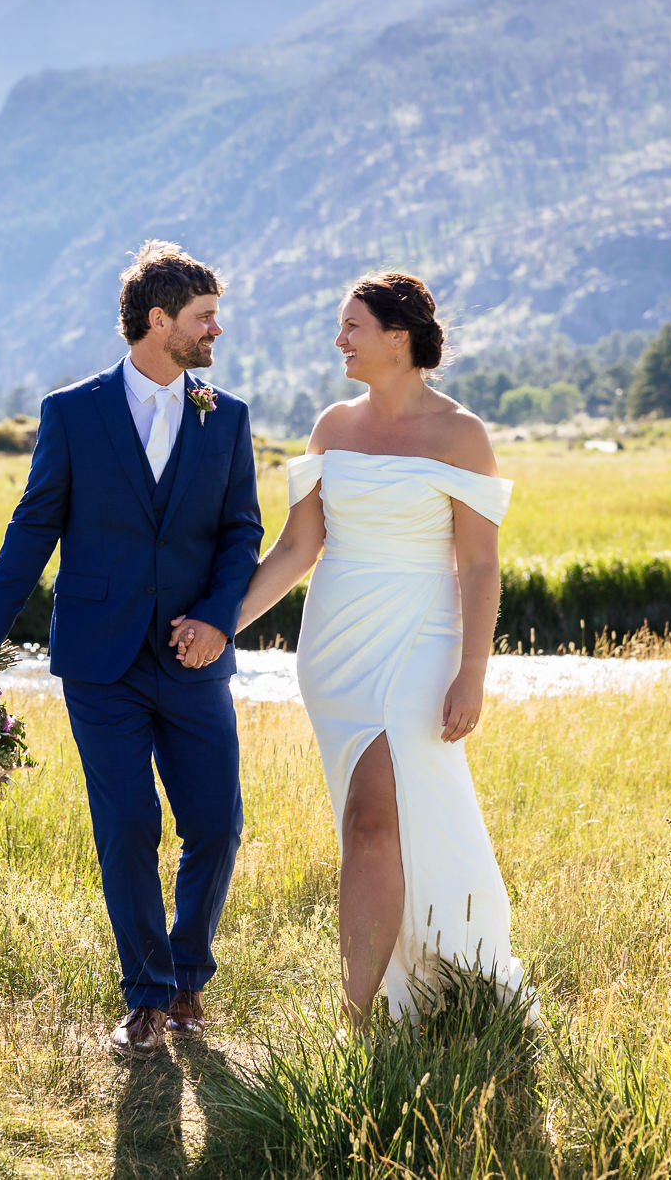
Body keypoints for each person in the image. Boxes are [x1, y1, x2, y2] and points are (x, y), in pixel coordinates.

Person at [0, 240, 263, 1055]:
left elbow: (242, 533)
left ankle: (189, 974)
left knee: (216, 823)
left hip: (195, 659)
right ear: (158, 320)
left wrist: (217, 619)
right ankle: (147, 996)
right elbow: (33, 526)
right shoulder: (73, 411)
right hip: (101, 660)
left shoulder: (226, 415)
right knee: (127, 822)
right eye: (205, 317)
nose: (217, 330)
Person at [229, 270, 526, 1025]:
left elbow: (480, 564)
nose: (340, 340)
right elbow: (298, 547)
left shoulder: (462, 435)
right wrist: (218, 624)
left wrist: (472, 673)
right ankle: (389, 998)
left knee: (372, 817)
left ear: (399, 337)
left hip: (422, 644)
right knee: (369, 823)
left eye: (352, 326)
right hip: (335, 648)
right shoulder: (333, 426)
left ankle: (360, 1015)